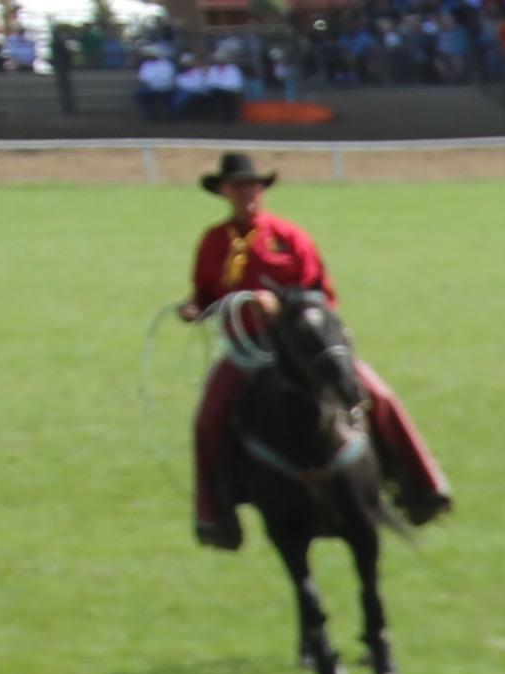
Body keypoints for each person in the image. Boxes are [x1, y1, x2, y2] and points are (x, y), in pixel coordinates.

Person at [180, 150, 449, 548]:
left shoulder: (289, 238)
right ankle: (215, 516)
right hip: (247, 351)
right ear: (223, 192)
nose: (246, 193)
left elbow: (319, 293)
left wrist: (281, 306)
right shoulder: (213, 242)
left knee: (378, 394)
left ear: (261, 190)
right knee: (207, 419)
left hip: (302, 344)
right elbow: (205, 294)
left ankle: (423, 486)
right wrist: (193, 308)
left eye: (251, 186)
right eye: (237, 187)